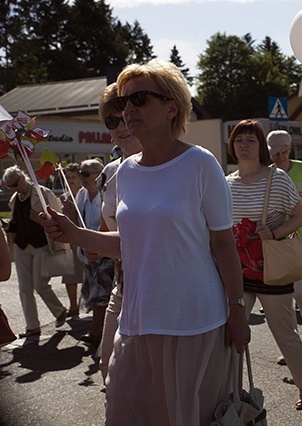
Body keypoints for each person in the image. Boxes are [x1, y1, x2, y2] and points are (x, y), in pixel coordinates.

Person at [40, 59, 249, 425]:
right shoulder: (126, 172)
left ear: (171, 107)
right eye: (122, 103)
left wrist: (236, 309)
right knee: (126, 411)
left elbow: (223, 244)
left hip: (192, 319)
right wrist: (73, 233)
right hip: (137, 316)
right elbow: (132, 243)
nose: (127, 110)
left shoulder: (201, 163)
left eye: (138, 99)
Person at [225, 119, 302, 410]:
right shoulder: (226, 183)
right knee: (229, 332)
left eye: (251, 140)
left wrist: (274, 232)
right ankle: (230, 392)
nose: (244, 145)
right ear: (232, 145)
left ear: (261, 146)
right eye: (239, 139)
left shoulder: (276, 178)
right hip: (236, 270)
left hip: (272, 268)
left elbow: (299, 218)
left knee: (283, 331)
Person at [95, 82, 143, 380]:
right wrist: (86, 240)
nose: (120, 126)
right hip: (122, 282)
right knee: (107, 367)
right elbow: (105, 225)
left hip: (160, 288)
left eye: (127, 117)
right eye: (112, 121)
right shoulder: (109, 173)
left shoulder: (174, 165)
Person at [267, 130, 302, 350]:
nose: (280, 158)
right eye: (275, 154)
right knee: (284, 301)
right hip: (277, 246)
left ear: (290, 149)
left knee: (300, 292)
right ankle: (292, 347)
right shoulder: (266, 174)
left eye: (284, 152)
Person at [2, 166, 67, 337]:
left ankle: (59, 311)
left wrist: (38, 217)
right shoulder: (15, 198)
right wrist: (8, 226)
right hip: (22, 245)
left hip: (41, 244)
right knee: (24, 287)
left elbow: (57, 218)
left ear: (23, 178)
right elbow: (16, 223)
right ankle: (32, 326)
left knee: (40, 284)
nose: (13, 189)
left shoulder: (42, 193)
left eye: (14, 184)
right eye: (9, 187)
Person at [74, 158, 110, 347]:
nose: (82, 177)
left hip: (103, 252)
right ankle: (101, 331)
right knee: (92, 291)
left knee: (100, 293)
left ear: (98, 174)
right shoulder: (81, 195)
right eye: (81, 173)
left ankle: (96, 333)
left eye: (85, 173)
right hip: (87, 252)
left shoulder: (106, 195)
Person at [60, 163, 84, 316]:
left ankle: (94, 307)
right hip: (71, 242)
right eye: (68, 177)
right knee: (70, 276)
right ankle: (73, 306)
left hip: (85, 239)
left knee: (89, 276)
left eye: (74, 177)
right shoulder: (64, 197)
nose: (70, 180)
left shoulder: (86, 194)